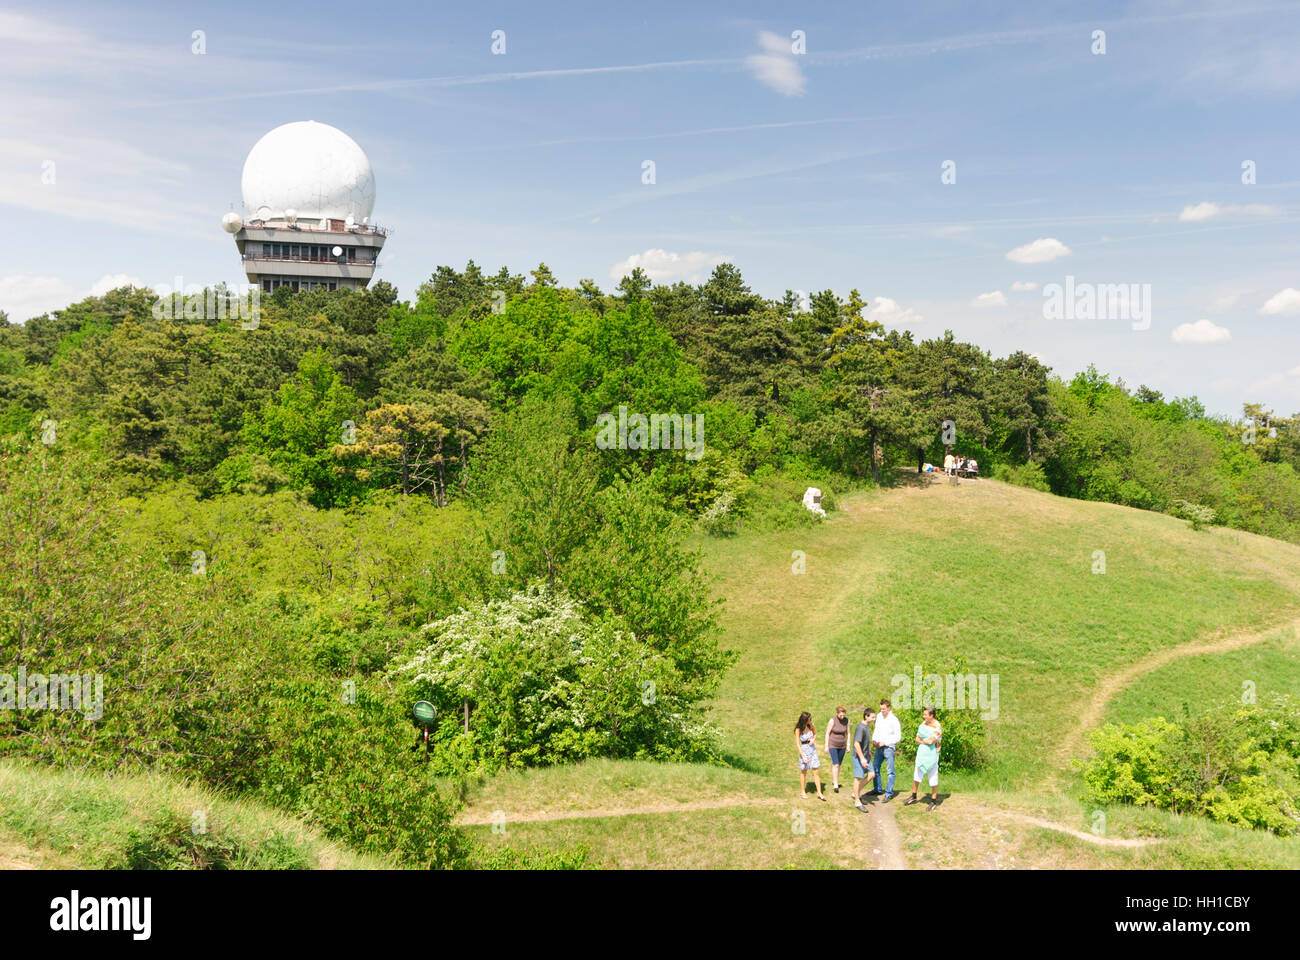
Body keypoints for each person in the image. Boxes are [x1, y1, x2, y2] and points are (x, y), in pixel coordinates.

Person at [904, 707, 942, 811]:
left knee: (933, 776)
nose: (923, 716)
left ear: (931, 715)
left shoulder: (937, 726)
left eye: (925, 714)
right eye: (924, 714)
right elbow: (917, 738)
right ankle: (913, 796)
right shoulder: (923, 723)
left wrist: (923, 739)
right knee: (917, 773)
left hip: (933, 754)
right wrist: (925, 740)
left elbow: (931, 742)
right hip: (922, 753)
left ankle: (933, 801)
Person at [869, 698, 901, 801]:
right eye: (881, 709)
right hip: (879, 747)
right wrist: (874, 739)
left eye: (884, 709)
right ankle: (877, 789)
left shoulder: (894, 720)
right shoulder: (879, 716)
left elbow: (898, 737)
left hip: (888, 747)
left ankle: (888, 793)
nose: (882, 711)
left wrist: (885, 742)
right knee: (875, 768)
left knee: (890, 771)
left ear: (889, 708)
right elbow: (876, 730)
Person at [795, 711, 827, 801]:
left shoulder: (811, 725)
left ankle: (819, 792)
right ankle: (802, 791)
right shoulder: (798, 729)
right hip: (804, 750)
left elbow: (815, 734)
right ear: (805, 719)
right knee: (804, 772)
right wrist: (803, 756)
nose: (811, 719)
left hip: (812, 750)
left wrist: (813, 739)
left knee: (816, 771)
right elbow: (797, 743)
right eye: (809, 718)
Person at [851, 706, 876, 810]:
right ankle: (857, 801)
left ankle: (855, 793)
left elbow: (866, 741)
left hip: (865, 755)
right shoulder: (860, 727)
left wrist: (869, 751)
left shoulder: (867, 726)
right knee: (858, 778)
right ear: (866, 716)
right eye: (872, 717)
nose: (874, 719)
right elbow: (856, 744)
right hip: (858, 757)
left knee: (871, 774)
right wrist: (862, 758)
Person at [824, 705, 850, 793]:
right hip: (833, 745)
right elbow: (827, 733)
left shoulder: (846, 721)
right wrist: (826, 746)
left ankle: (835, 780)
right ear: (837, 713)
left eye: (843, 715)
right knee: (836, 764)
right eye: (840, 715)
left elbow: (848, 733)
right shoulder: (832, 720)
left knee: (839, 764)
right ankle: (835, 784)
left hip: (842, 745)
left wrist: (848, 745)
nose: (842, 717)